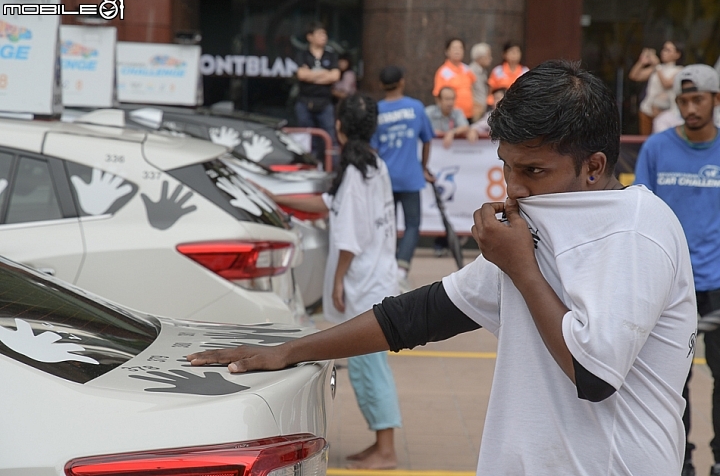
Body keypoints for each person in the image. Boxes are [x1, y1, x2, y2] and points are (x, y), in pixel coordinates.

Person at [187, 61, 697, 475]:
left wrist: (520, 266)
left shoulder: (637, 228)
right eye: (506, 166)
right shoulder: (540, 227)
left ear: (594, 167)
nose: (513, 187)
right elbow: (419, 315)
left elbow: (593, 373)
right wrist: (290, 352)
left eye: (533, 171)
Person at [264, 93, 402, 470]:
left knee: (369, 366)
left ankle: (386, 448)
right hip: (375, 277)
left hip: (364, 282)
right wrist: (276, 198)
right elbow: (329, 203)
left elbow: (349, 238)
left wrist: (338, 282)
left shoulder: (357, 171)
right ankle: (380, 441)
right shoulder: (370, 165)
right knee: (366, 366)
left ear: (338, 127)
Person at [634, 63, 720, 476]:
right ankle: (680, 465)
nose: (689, 107)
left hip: (718, 286)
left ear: (715, 100)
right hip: (670, 288)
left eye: (697, 99)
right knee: (672, 386)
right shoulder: (656, 148)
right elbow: (639, 214)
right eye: (683, 100)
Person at [369, 65, 435, 292]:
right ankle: (401, 269)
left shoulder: (377, 111)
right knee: (412, 224)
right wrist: (423, 167)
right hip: (410, 176)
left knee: (385, 224)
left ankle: (384, 269)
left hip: (384, 178)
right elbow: (427, 140)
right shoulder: (416, 108)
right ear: (402, 82)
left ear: (381, 85)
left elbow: (373, 148)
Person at [294, 21, 340, 166]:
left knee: (329, 135)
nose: (323, 37)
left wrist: (312, 75)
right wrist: (324, 75)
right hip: (305, 101)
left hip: (325, 102)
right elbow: (301, 75)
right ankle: (309, 166)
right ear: (310, 37)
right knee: (306, 137)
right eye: (320, 34)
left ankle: (331, 167)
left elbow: (335, 76)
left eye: (325, 34)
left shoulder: (331, 55)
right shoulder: (302, 55)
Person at [629, 41, 684, 135]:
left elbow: (666, 84)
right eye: (663, 49)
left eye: (668, 50)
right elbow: (634, 76)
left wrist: (657, 66)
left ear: (677, 54)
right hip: (647, 110)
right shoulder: (656, 68)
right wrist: (642, 61)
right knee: (646, 140)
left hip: (666, 112)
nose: (663, 52)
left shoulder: (679, 70)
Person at [433, 38, 476, 120]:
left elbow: (473, 88)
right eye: (454, 48)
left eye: (460, 48)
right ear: (447, 51)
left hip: (469, 114)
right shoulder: (443, 72)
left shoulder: (467, 69)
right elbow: (437, 95)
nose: (457, 51)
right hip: (452, 116)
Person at [486, 41, 528, 109]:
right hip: (499, 105)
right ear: (504, 54)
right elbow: (490, 91)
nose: (514, 54)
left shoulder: (525, 71)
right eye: (512, 51)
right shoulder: (498, 71)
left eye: (517, 52)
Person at [469, 42, 493, 121]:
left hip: (483, 107)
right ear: (480, 57)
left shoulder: (483, 71)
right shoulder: (471, 71)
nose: (491, 59)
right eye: (488, 56)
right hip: (475, 108)